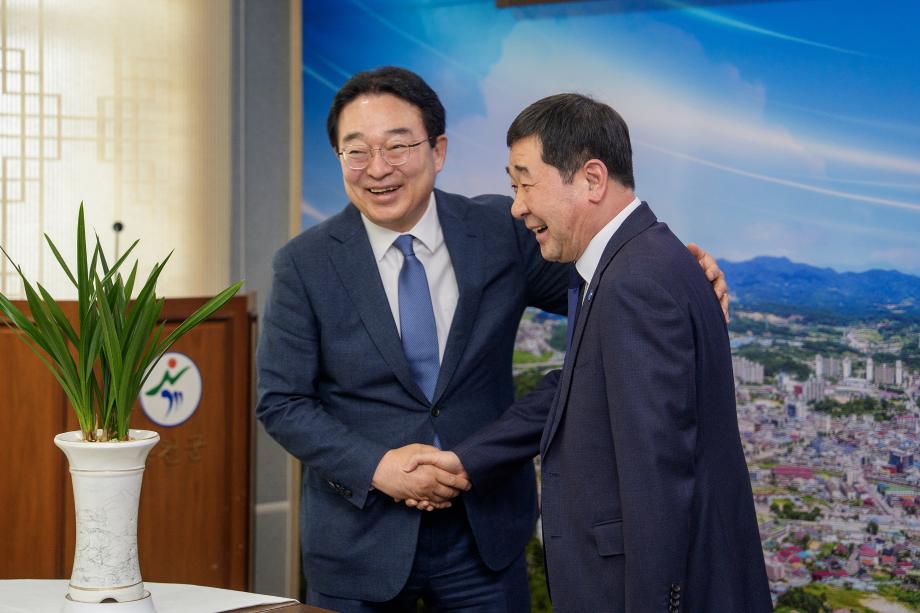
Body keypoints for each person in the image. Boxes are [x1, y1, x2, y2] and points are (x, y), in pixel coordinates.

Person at [256, 67, 729, 612]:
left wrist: (680, 278)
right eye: (356, 151)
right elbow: (282, 401)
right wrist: (376, 468)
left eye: (398, 146)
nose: (378, 168)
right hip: (359, 541)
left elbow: (608, 292)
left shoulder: (500, 229)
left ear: (438, 150)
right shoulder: (304, 263)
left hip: (484, 539)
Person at [406, 94, 771, 612]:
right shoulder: (640, 263)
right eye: (512, 187)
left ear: (592, 179)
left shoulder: (634, 282)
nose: (517, 206)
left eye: (525, 184)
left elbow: (658, 478)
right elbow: (576, 385)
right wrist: (468, 460)